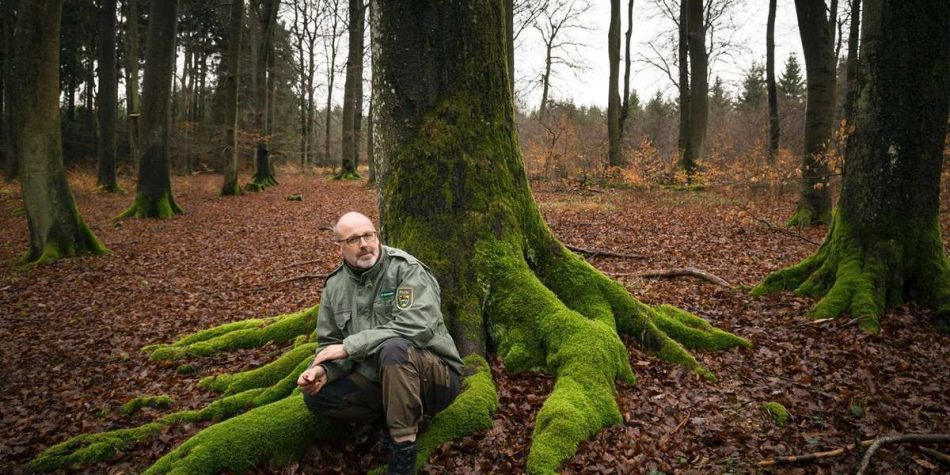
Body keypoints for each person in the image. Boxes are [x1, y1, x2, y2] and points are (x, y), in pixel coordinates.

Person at [297, 211, 463, 475]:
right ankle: (394, 415)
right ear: (339, 246)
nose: (364, 244)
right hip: (379, 378)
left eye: (369, 235)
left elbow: (417, 325)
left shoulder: (405, 269)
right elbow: (330, 341)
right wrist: (324, 370)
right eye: (353, 239)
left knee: (393, 348)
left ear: (377, 235)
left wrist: (351, 346)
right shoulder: (335, 286)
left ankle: (403, 451)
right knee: (319, 398)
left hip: (434, 377)